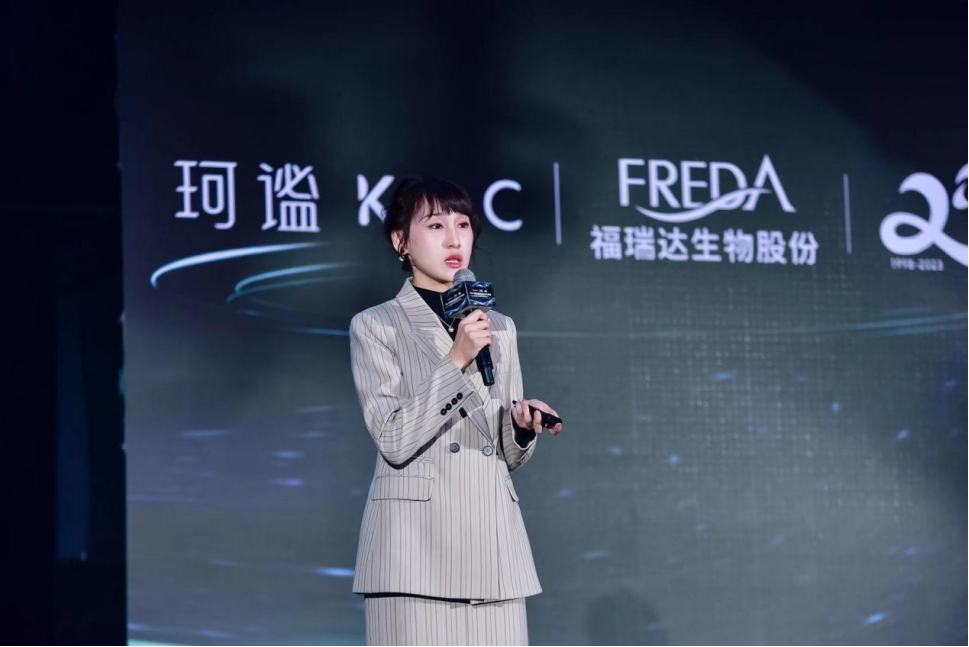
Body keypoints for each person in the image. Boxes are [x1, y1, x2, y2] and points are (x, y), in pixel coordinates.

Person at [347, 175, 564, 646]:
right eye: (435, 225)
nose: (453, 239)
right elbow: (393, 439)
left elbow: (505, 455)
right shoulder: (376, 325)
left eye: (462, 224)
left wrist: (520, 427)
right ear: (401, 241)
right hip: (414, 555)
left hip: (494, 550)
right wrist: (456, 360)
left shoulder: (498, 327)